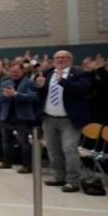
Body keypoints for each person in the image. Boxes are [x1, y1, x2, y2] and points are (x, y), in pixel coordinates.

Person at [35, 50, 97, 194]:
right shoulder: (48, 73)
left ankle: (73, 181)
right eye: (57, 57)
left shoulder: (80, 73)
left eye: (64, 57)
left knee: (69, 149)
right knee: (53, 149)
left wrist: (63, 81)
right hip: (49, 118)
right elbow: (41, 94)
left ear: (70, 59)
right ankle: (59, 177)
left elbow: (83, 89)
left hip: (69, 120)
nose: (60, 60)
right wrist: (39, 86)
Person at [0, 63, 39, 174]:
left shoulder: (29, 82)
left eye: (16, 72)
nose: (14, 74)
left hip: (22, 116)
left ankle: (27, 165)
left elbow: (32, 97)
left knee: (23, 141)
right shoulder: (5, 83)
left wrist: (15, 94)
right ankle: (7, 162)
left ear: (22, 71)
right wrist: (4, 96)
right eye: (12, 72)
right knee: (6, 140)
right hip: (6, 115)